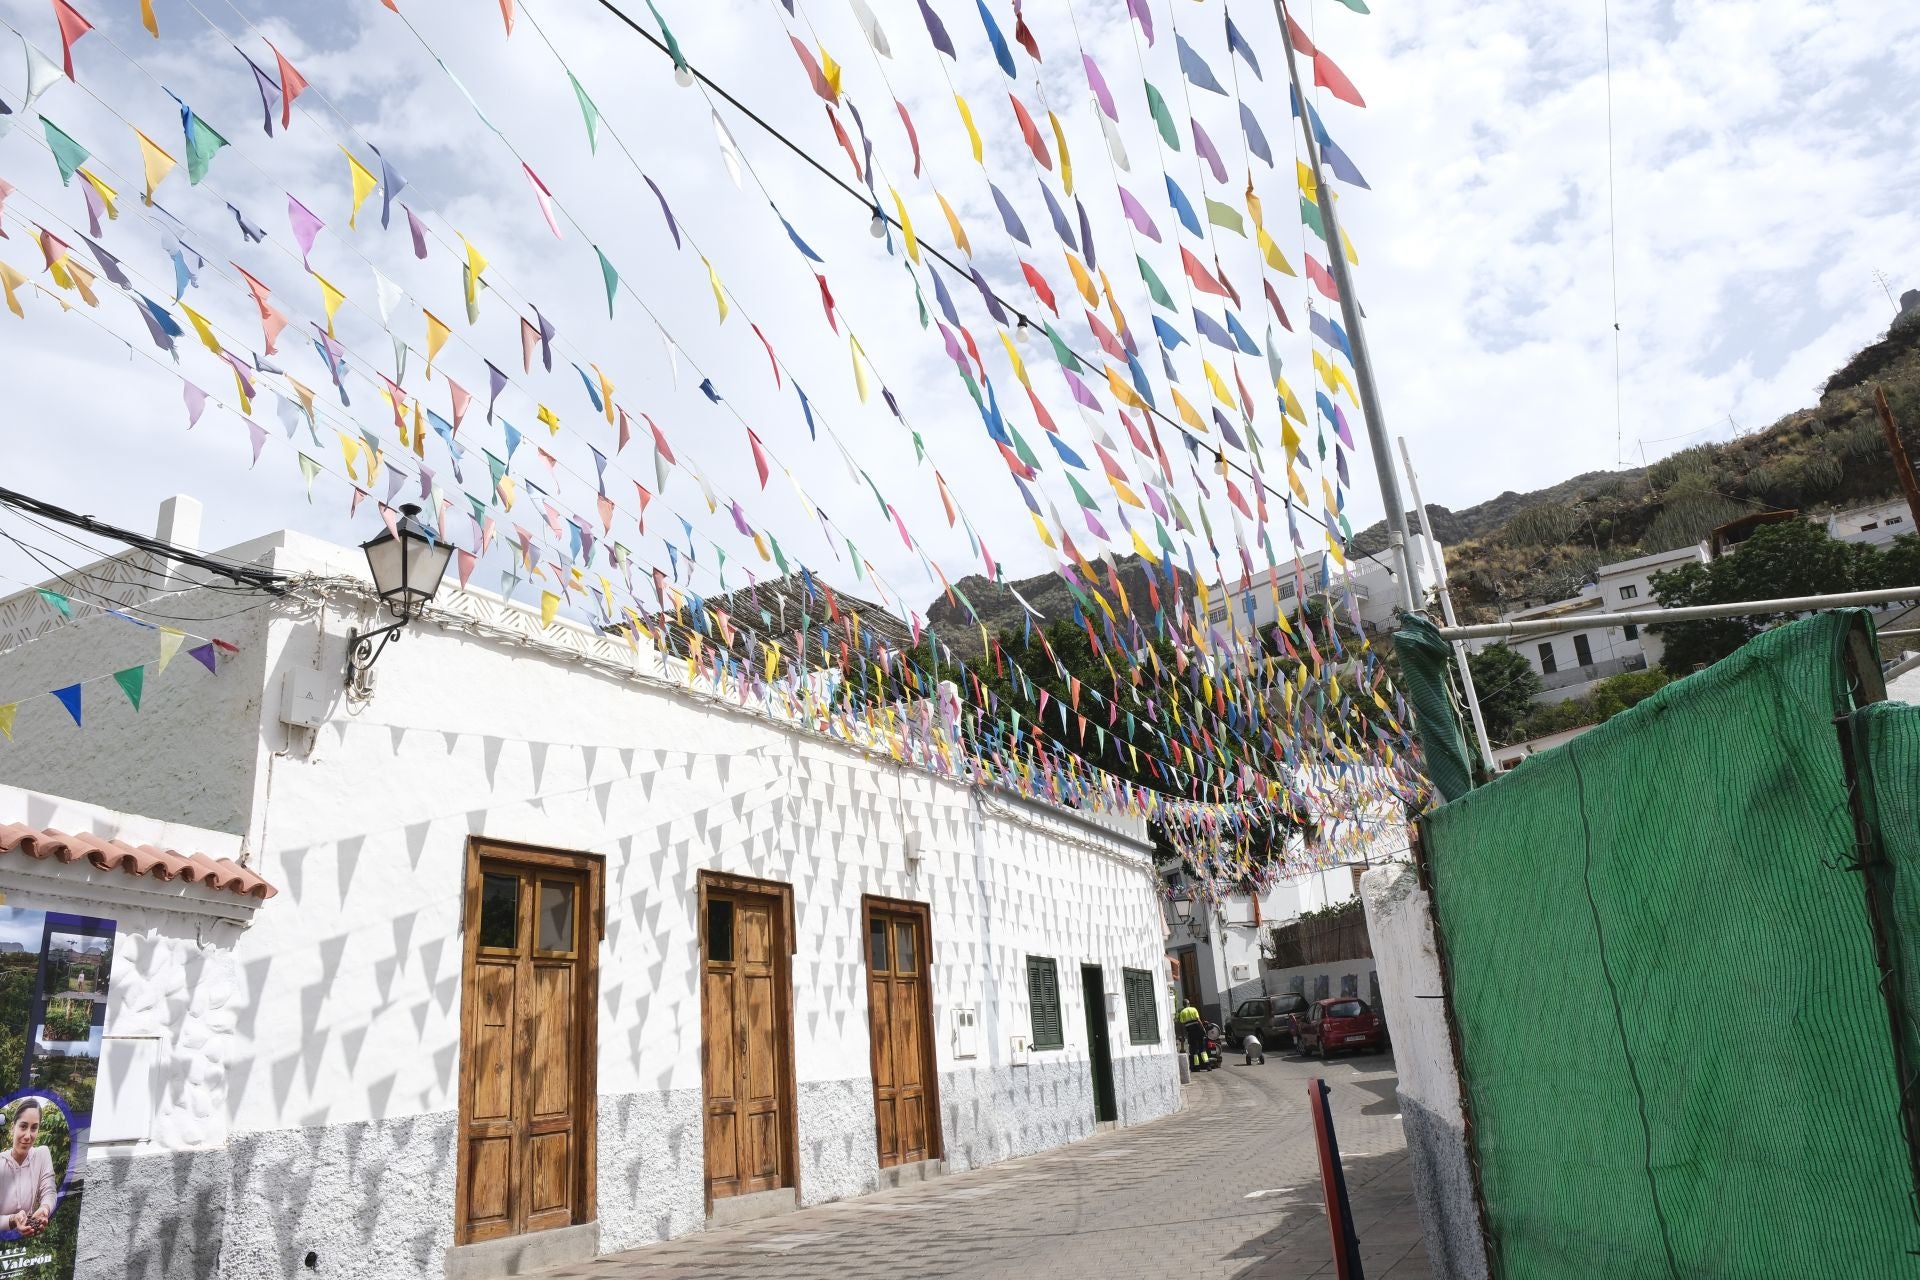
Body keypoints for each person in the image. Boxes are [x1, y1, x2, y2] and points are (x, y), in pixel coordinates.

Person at [0, 1099, 54, 1236]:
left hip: (29, 1239)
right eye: (23, 1126)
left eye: (34, 1128)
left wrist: (45, 1208)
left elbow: (49, 1191)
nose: (28, 1136)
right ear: (13, 1127)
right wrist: (12, 1220)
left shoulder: (42, 1154)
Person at [1177, 996, 1206, 1071]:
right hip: (1198, 1031)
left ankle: (1197, 1067)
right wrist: (1203, 1029)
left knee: (1194, 1050)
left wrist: (1182, 1036)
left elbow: (1181, 1025)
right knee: (1202, 1048)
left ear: (1183, 1005)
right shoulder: (1194, 1009)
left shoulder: (1182, 1012)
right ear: (1189, 1004)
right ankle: (1207, 1065)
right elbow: (1198, 1020)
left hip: (1191, 1033)